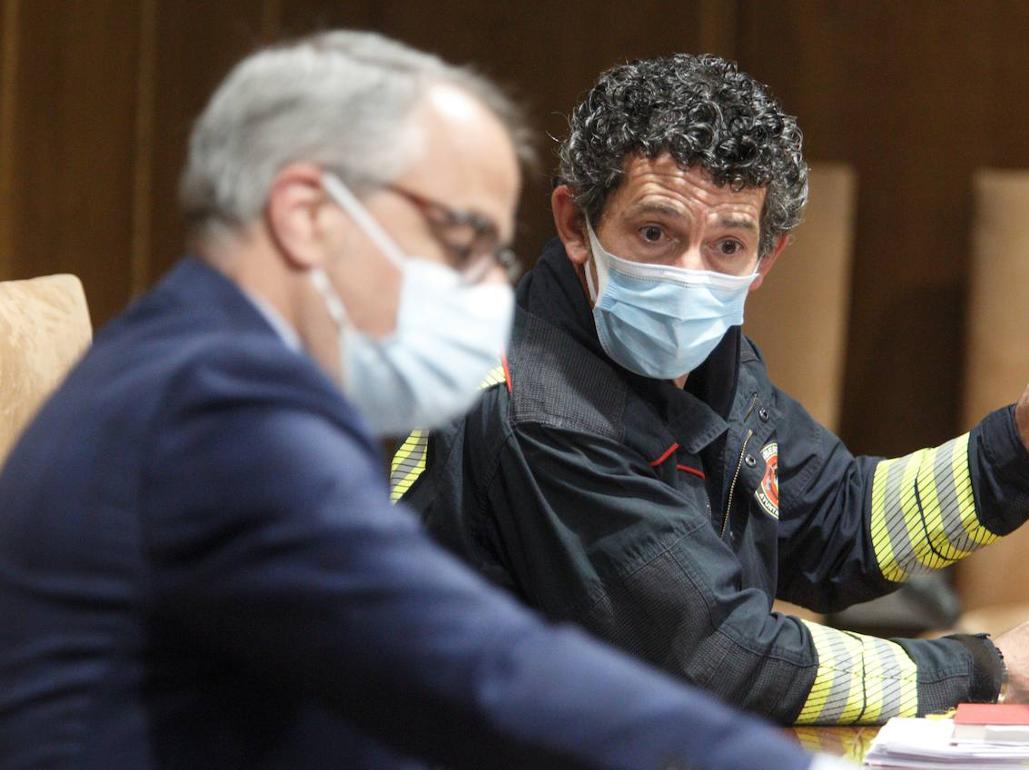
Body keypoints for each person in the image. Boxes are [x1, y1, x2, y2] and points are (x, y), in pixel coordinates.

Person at [0, 32, 839, 770]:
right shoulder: (218, 408)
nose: (486, 283)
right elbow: (472, 668)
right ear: (307, 216)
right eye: (460, 239)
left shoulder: (203, 356)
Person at [397, 53, 1029, 726]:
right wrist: (985, 672)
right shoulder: (538, 404)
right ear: (576, 222)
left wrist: (1028, 441)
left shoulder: (710, 356)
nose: (690, 276)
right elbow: (717, 658)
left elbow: (839, 522)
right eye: (655, 233)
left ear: (767, 258)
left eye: (728, 245)